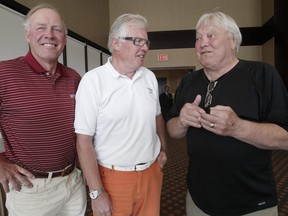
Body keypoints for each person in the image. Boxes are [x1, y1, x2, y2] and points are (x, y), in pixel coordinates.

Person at [166, 11, 288, 216]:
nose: (202, 43)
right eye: (198, 38)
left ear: (233, 41)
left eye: (210, 35)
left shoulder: (263, 76)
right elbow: (172, 130)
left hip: (252, 204)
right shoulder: (189, 82)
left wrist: (238, 127)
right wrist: (181, 122)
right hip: (198, 201)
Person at [74, 13, 167, 216]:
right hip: (113, 178)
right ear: (116, 43)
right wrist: (97, 194)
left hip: (151, 174)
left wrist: (164, 147)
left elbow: (157, 116)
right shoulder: (93, 81)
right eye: (138, 41)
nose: (145, 47)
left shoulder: (149, 77)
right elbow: (83, 142)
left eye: (146, 42)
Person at [0, 3, 87, 216]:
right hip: (31, 191)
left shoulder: (74, 77)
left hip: (73, 183)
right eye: (41, 27)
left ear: (64, 38)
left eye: (57, 29)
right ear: (28, 35)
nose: (50, 34)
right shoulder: (4, 73)